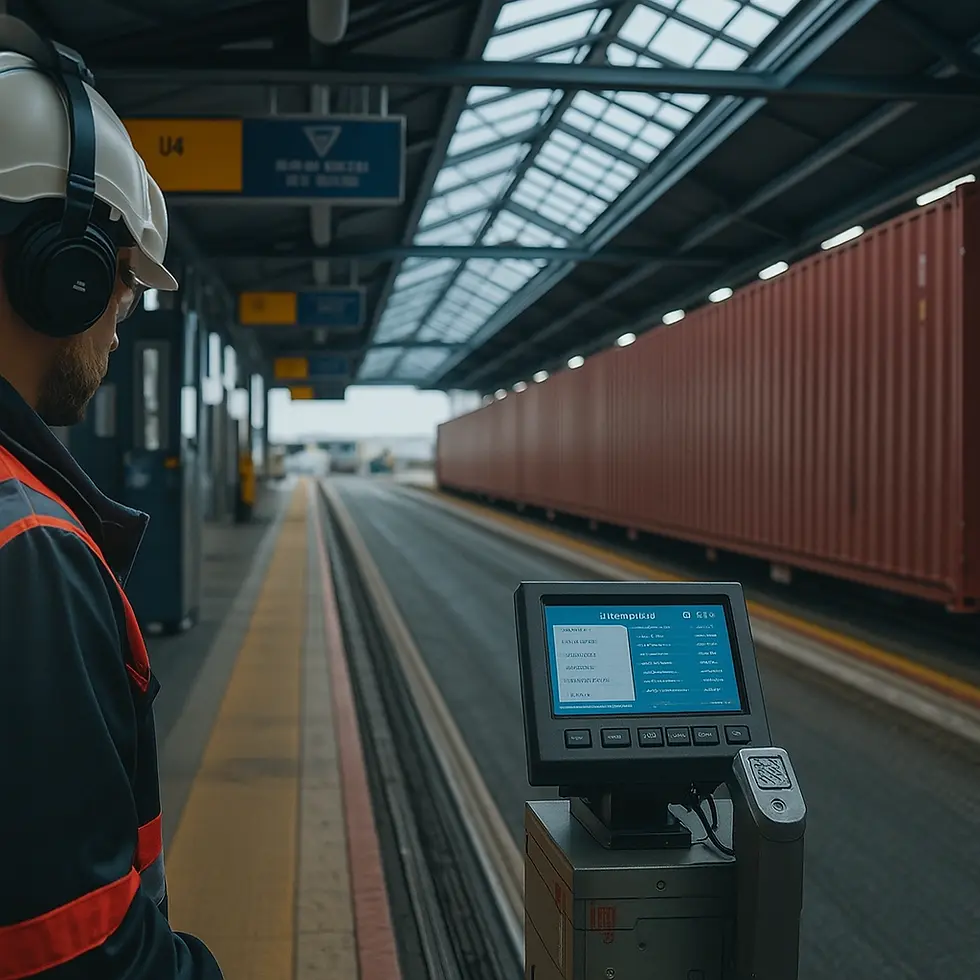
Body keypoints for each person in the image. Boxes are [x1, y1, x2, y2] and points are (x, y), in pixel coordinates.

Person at [0, 17, 222, 979]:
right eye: (126, 280)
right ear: (64, 269)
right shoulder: (29, 549)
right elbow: (76, 951)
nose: (123, 320)